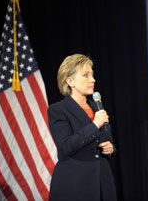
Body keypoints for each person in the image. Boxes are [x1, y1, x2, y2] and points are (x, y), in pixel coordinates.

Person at [48, 54, 117, 201]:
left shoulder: (96, 107)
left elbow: (106, 139)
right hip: (75, 184)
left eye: (92, 75)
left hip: (103, 184)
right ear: (70, 81)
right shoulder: (58, 110)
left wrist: (110, 148)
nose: (93, 80)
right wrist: (94, 125)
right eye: (86, 75)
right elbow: (66, 146)